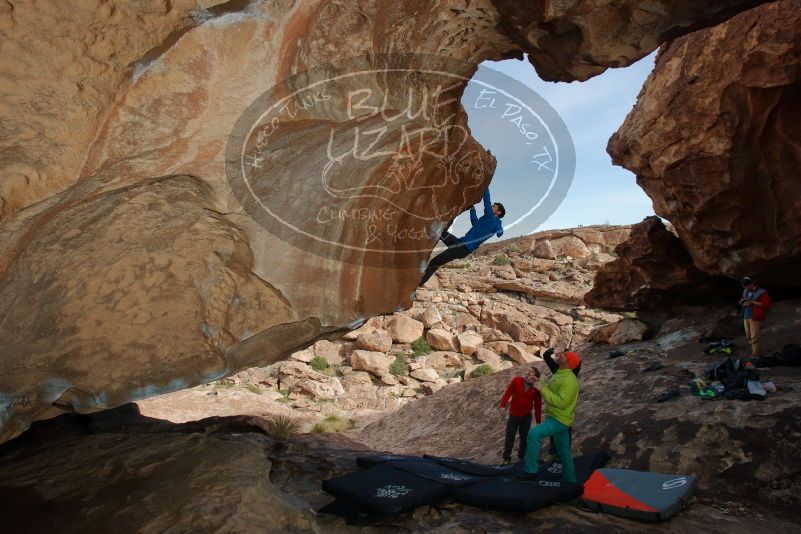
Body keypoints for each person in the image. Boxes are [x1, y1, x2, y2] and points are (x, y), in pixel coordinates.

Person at [419, 188, 505, 286]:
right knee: (440, 233)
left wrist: (486, 186)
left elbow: (486, 200)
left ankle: (418, 284)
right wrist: (472, 210)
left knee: (435, 262)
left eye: (494, 206)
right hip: (460, 243)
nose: (491, 206)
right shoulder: (488, 220)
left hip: (462, 248)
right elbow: (475, 224)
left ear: (498, 212)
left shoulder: (492, 219)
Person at [518, 350, 581, 483]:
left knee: (534, 434)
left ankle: (531, 471)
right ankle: (571, 481)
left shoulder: (570, 380)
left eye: (563, 355)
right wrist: (538, 381)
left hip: (559, 419)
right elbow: (552, 391)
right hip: (557, 417)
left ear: (568, 362)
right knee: (563, 450)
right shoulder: (560, 373)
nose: (559, 355)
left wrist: (542, 389)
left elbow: (561, 402)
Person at [499, 366, 543, 465]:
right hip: (513, 415)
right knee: (509, 437)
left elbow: (537, 405)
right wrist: (503, 405)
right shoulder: (517, 380)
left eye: (531, 371)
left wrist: (538, 421)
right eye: (528, 370)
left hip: (526, 417)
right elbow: (508, 392)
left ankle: (522, 457)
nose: (528, 372)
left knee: (524, 438)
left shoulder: (536, 388)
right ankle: (506, 458)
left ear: (535, 376)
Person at [542, 347, 580, 458]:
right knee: (554, 430)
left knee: (565, 428)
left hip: (564, 406)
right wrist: (555, 350)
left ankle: (563, 454)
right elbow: (546, 355)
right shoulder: (556, 368)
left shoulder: (572, 371)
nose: (560, 356)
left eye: (564, 355)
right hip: (553, 407)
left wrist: (565, 351)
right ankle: (554, 451)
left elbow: (577, 361)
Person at [739, 277, 771, 357]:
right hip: (746, 316)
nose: (745, 288)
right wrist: (741, 302)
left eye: (746, 286)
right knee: (749, 336)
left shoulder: (761, 292)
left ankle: (756, 355)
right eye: (744, 287)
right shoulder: (746, 291)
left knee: (755, 337)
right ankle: (757, 352)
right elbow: (744, 299)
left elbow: (767, 304)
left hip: (755, 317)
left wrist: (753, 302)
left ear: (751, 284)